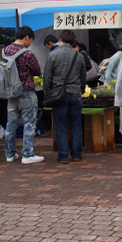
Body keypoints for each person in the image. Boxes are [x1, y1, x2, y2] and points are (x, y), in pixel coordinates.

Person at [43, 30, 87, 164]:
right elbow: (83, 76)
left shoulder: (53, 55)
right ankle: (76, 154)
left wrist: (47, 93)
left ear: (60, 39)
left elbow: (47, 77)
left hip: (58, 94)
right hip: (75, 93)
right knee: (76, 125)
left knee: (60, 126)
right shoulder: (78, 56)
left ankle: (62, 155)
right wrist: (81, 89)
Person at [4, 26, 45, 164]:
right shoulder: (28, 54)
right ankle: (27, 154)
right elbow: (37, 71)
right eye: (30, 40)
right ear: (26, 37)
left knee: (11, 123)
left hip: (11, 92)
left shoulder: (5, 51)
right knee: (29, 123)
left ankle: (10, 154)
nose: (30, 43)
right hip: (26, 91)